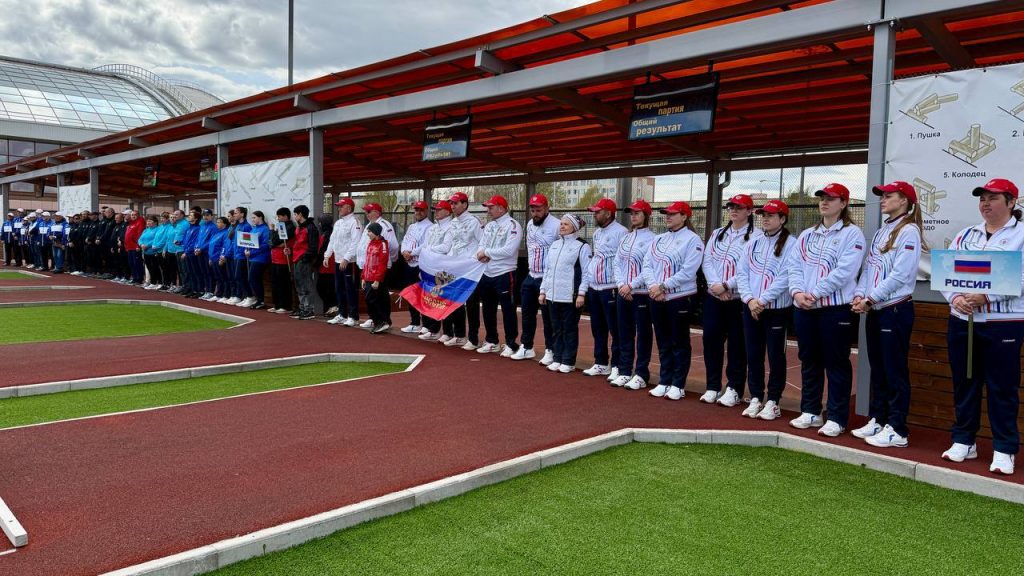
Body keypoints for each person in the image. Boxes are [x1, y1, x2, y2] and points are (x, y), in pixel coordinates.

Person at [941, 178, 1024, 475]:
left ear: (1011, 202)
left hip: (1005, 323)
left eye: (993, 198)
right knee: (965, 382)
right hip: (962, 320)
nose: (986, 203)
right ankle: (964, 440)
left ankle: (1004, 449)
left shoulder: (1021, 234)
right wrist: (956, 298)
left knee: (1002, 387)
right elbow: (947, 272)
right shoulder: (965, 234)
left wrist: (988, 296)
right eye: (982, 198)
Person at [848, 181, 924, 448]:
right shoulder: (883, 230)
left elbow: (901, 274)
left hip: (895, 309)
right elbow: (869, 268)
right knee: (878, 369)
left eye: (889, 196)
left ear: (904, 201)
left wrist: (871, 299)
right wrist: (860, 294)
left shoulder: (909, 231)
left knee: (895, 371)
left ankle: (898, 429)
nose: (883, 199)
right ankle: (878, 419)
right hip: (876, 309)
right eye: (882, 196)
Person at [788, 183, 865, 437]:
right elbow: (794, 266)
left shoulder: (852, 234)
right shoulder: (807, 235)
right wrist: (797, 292)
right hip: (804, 308)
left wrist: (815, 293)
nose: (824, 202)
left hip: (835, 309)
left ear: (843, 203)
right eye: (822, 198)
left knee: (836, 362)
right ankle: (810, 411)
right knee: (809, 361)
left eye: (831, 198)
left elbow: (845, 271)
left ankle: (836, 417)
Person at [736, 200, 796, 420]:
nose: (766, 219)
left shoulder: (792, 243)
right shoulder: (753, 242)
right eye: (763, 215)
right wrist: (750, 299)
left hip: (776, 310)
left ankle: (773, 401)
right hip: (751, 308)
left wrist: (762, 301)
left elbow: (786, 276)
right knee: (753, 355)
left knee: (775, 356)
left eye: (771, 215)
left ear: (782, 219)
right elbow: (742, 273)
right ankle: (755, 397)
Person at [700, 193, 761, 406]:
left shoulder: (756, 236)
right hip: (714, 297)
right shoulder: (718, 233)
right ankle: (712, 386)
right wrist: (716, 286)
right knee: (711, 341)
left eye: (739, 207)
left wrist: (727, 285)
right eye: (731, 207)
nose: (734, 210)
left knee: (737, 345)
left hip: (738, 299)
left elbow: (751, 268)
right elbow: (707, 261)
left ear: (749, 211)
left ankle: (734, 388)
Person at [644, 201, 703, 401]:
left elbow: (688, 271)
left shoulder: (693, 240)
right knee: (663, 341)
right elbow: (647, 265)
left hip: (679, 298)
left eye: (673, 214)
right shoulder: (659, 239)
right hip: (656, 297)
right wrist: (654, 287)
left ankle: (678, 384)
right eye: (666, 214)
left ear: (684, 216)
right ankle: (664, 380)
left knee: (679, 342)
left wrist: (663, 287)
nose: (668, 217)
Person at [611, 199, 656, 390]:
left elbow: (649, 267)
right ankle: (624, 371)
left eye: (637, 213)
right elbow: (617, 263)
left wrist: (632, 285)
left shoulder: (653, 239)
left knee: (643, 334)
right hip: (623, 292)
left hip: (642, 293)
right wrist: (622, 285)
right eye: (632, 213)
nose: (633, 216)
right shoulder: (626, 238)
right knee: (624, 332)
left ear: (646, 215)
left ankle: (641, 373)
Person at [539, 214, 592, 374]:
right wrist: (543, 291)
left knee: (569, 329)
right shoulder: (554, 245)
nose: (561, 226)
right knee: (556, 328)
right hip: (552, 295)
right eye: (561, 223)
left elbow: (586, 272)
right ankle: (557, 358)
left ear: (574, 227)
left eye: (566, 224)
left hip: (570, 296)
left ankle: (568, 361)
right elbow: (547, 270)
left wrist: (581, 293)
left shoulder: (582, 246)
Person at [581, 198, 628, 379]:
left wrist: (620, 283)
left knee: (615, 329)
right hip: (595, 287)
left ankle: (617, 365)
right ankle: (600, 362)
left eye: (598, 212)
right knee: (597, 327)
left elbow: (623, 261)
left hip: (611, 287)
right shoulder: (597, 233)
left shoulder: (622, 232)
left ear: (608, 213)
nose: (594, 215)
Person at [475, 195, 523, 356]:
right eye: (487, 207)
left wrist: (487, 252)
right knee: (488, 309)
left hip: (505, 273)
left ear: (501, 208)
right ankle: (492, 341)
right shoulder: (489, 226)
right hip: (486, 272)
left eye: (491, 207)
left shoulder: (513, 225)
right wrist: (480, 253)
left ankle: (511, 343)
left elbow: (509, 250)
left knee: (508, 310)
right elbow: (481, 245)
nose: (488, 210)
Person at [517, 193, 560, 362]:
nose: (535, 213)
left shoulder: (556, 225)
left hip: (547, 277)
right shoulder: (530, 224)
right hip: (531, 275)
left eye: (539, 210)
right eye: (533, 210)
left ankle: (551, 349)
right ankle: (527, 347)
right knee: (527, 314)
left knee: (548, 317)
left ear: (547, 208)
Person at [445, 191, 483, 348]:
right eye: (451, 203)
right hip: (455, 268)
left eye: (455, 203)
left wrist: (473, 260)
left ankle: (473, 339)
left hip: (470, 270)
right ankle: (459, 335)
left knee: (472, 304)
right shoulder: (453, 222)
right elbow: (452, 245)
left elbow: (482, 242)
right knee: (455, 302)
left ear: (465, 204)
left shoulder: (474, 221)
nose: (452, 206)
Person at [417, 200, 456, 343]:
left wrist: (430, 250)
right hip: (430, 267)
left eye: (439, 209)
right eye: (436, 209)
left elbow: (446, 247)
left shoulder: (451, 227)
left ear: (447, 211)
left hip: (444, 269)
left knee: (444, 300)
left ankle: (448, 331)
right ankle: (433, 329)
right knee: (432, 299)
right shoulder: (433, 228)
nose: (436, 212)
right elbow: (425, 246)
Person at [355, 202, 399, 329]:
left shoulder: (384, 225)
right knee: (370, 296)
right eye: (366, 211)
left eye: (369, 211)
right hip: (367, 267)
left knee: (380, 295)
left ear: (377, 212)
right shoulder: (370, 225)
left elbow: (394, 246)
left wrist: (390, 261)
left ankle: (384, 320)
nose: (366, 214)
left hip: (380, 267)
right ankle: (374, 318)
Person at [323, 198, 362, 326]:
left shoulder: (355, 222)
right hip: (338, 260)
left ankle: (353, 316)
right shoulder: (338, 223)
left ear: (349, 208)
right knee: (339, 288)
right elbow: (332, 240)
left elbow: (355, 242)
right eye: (339, 206)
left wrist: (346, 258)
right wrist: (327, 255)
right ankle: (342, 314)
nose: (339, 209)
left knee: (350, 289)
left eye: (341, 206)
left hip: (349, 262)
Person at [400, 200, 433, 334]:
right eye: (416, 210)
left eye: (421, 210)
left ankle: (427, 324)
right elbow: (405, 240)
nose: (418, 212)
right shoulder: (412, 226)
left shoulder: (430, 227)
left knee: (424, 294)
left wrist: (411, 253)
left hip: (422, 265)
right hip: (409, 264)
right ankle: (414, 322)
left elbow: (426, 244)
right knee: (412, 294)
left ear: (426, 211)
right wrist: (404, 252)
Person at [289, 205, 320, 320]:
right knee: (299, 284)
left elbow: (313, 246)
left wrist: (305, 257)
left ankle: (309, 309)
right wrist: (290, 250)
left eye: (295, 214)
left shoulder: (311, 228)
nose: (294, 216)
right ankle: (302, 307)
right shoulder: (299, 227)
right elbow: (297, 243)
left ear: (301, 214)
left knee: (306, 284)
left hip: (304, 260)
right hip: (297, 258)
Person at [362, 221, 392, 333]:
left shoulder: (382, 244)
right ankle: (379, 322)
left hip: (376, 278)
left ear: (376, 232)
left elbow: (382, 263)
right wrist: (363, 277)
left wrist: (377, 279)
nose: (368, 234)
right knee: (370, 300)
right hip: (368, 277)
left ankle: (382, 321)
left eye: (369, 231)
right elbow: (367, 261)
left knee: (374, 300)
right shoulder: (371, 243)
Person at [269, 208, 296, 314]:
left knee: (283, 283)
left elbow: (277, 240)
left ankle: (286, 306)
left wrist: (273, 234)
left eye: (279, 216)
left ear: (285, 216)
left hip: (284, 260)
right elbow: (272, 241)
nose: (278, 218)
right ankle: (277, 305)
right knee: (275, 282)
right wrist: (273, 236)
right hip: (275, 259)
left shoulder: (290, 227)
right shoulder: (280, 226)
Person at [244, 210, 272, 310]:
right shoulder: (253, 229)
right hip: (252, 258)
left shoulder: (265, 229)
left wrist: (252, 252)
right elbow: (247, 242)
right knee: (254, 279)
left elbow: (266, 245)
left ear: (260, 217)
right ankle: (259, 300)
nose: (252, 220)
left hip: (261, 258)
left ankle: (260, 300)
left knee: (253, 278)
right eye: (252, 218)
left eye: (254, 218)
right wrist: (246, 250)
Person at [232, 206, 255, 307]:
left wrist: (244, 252)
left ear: (242, 214)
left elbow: (248, 242)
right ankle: (246, 296)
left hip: (242, 256)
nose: (234, 215)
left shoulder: (246, 226)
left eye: (236, 213)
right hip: (236, 255)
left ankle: (250, 296)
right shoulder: (238, 226)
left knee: (240, 276)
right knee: (238, 277)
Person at [316, 214, 338, 315]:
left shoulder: (328, 234)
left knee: (324, 287)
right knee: (325, 287)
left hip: (328, 263)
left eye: (320, 222)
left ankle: (333, 305)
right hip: (326, 263)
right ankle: (331, 306)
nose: (319, 224)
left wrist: (317, 262)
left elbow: (323, 250)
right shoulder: (327, 233)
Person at [138, 215, 162, 289]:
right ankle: (153, 282)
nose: (148, 222)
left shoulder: (158, 229)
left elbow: (156, 239)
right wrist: (141, 244)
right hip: (145, 252)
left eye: (150, 221)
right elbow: (140, 239)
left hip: (153, 251)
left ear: (155, 222)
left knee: (155, 267)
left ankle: (160, 282)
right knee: (149, 268)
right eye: (147, 221)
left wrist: (147, 245)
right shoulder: (146, 230)